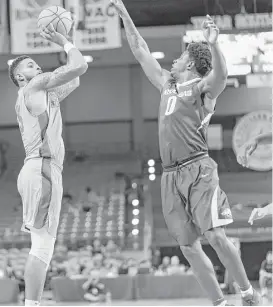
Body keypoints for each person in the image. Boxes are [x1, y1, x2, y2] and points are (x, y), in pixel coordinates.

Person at [110, 1, 260, 305]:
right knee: (189, 246)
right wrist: (124, 14)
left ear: (190, 63)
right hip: (170, 175)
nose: (176, 60)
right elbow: (140, 50)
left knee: (216, 236)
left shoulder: (204, 89)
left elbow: (222, 73)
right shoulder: (167, 84)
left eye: (181, 56)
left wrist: (215, 44)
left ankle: (248, 294)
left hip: (198, 169)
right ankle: (219, 302)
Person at [8, 20, 88, 306]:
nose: (37, 68)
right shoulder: (35, 86)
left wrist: (69, 38)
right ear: (19, 77)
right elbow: (80, 67)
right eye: (29, 65)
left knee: (40, 245)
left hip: (36, 169)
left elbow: (75, 78)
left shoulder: (45, 94)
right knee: (43, 246)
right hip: (42, 168)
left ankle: (31, 304)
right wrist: (65, 43)